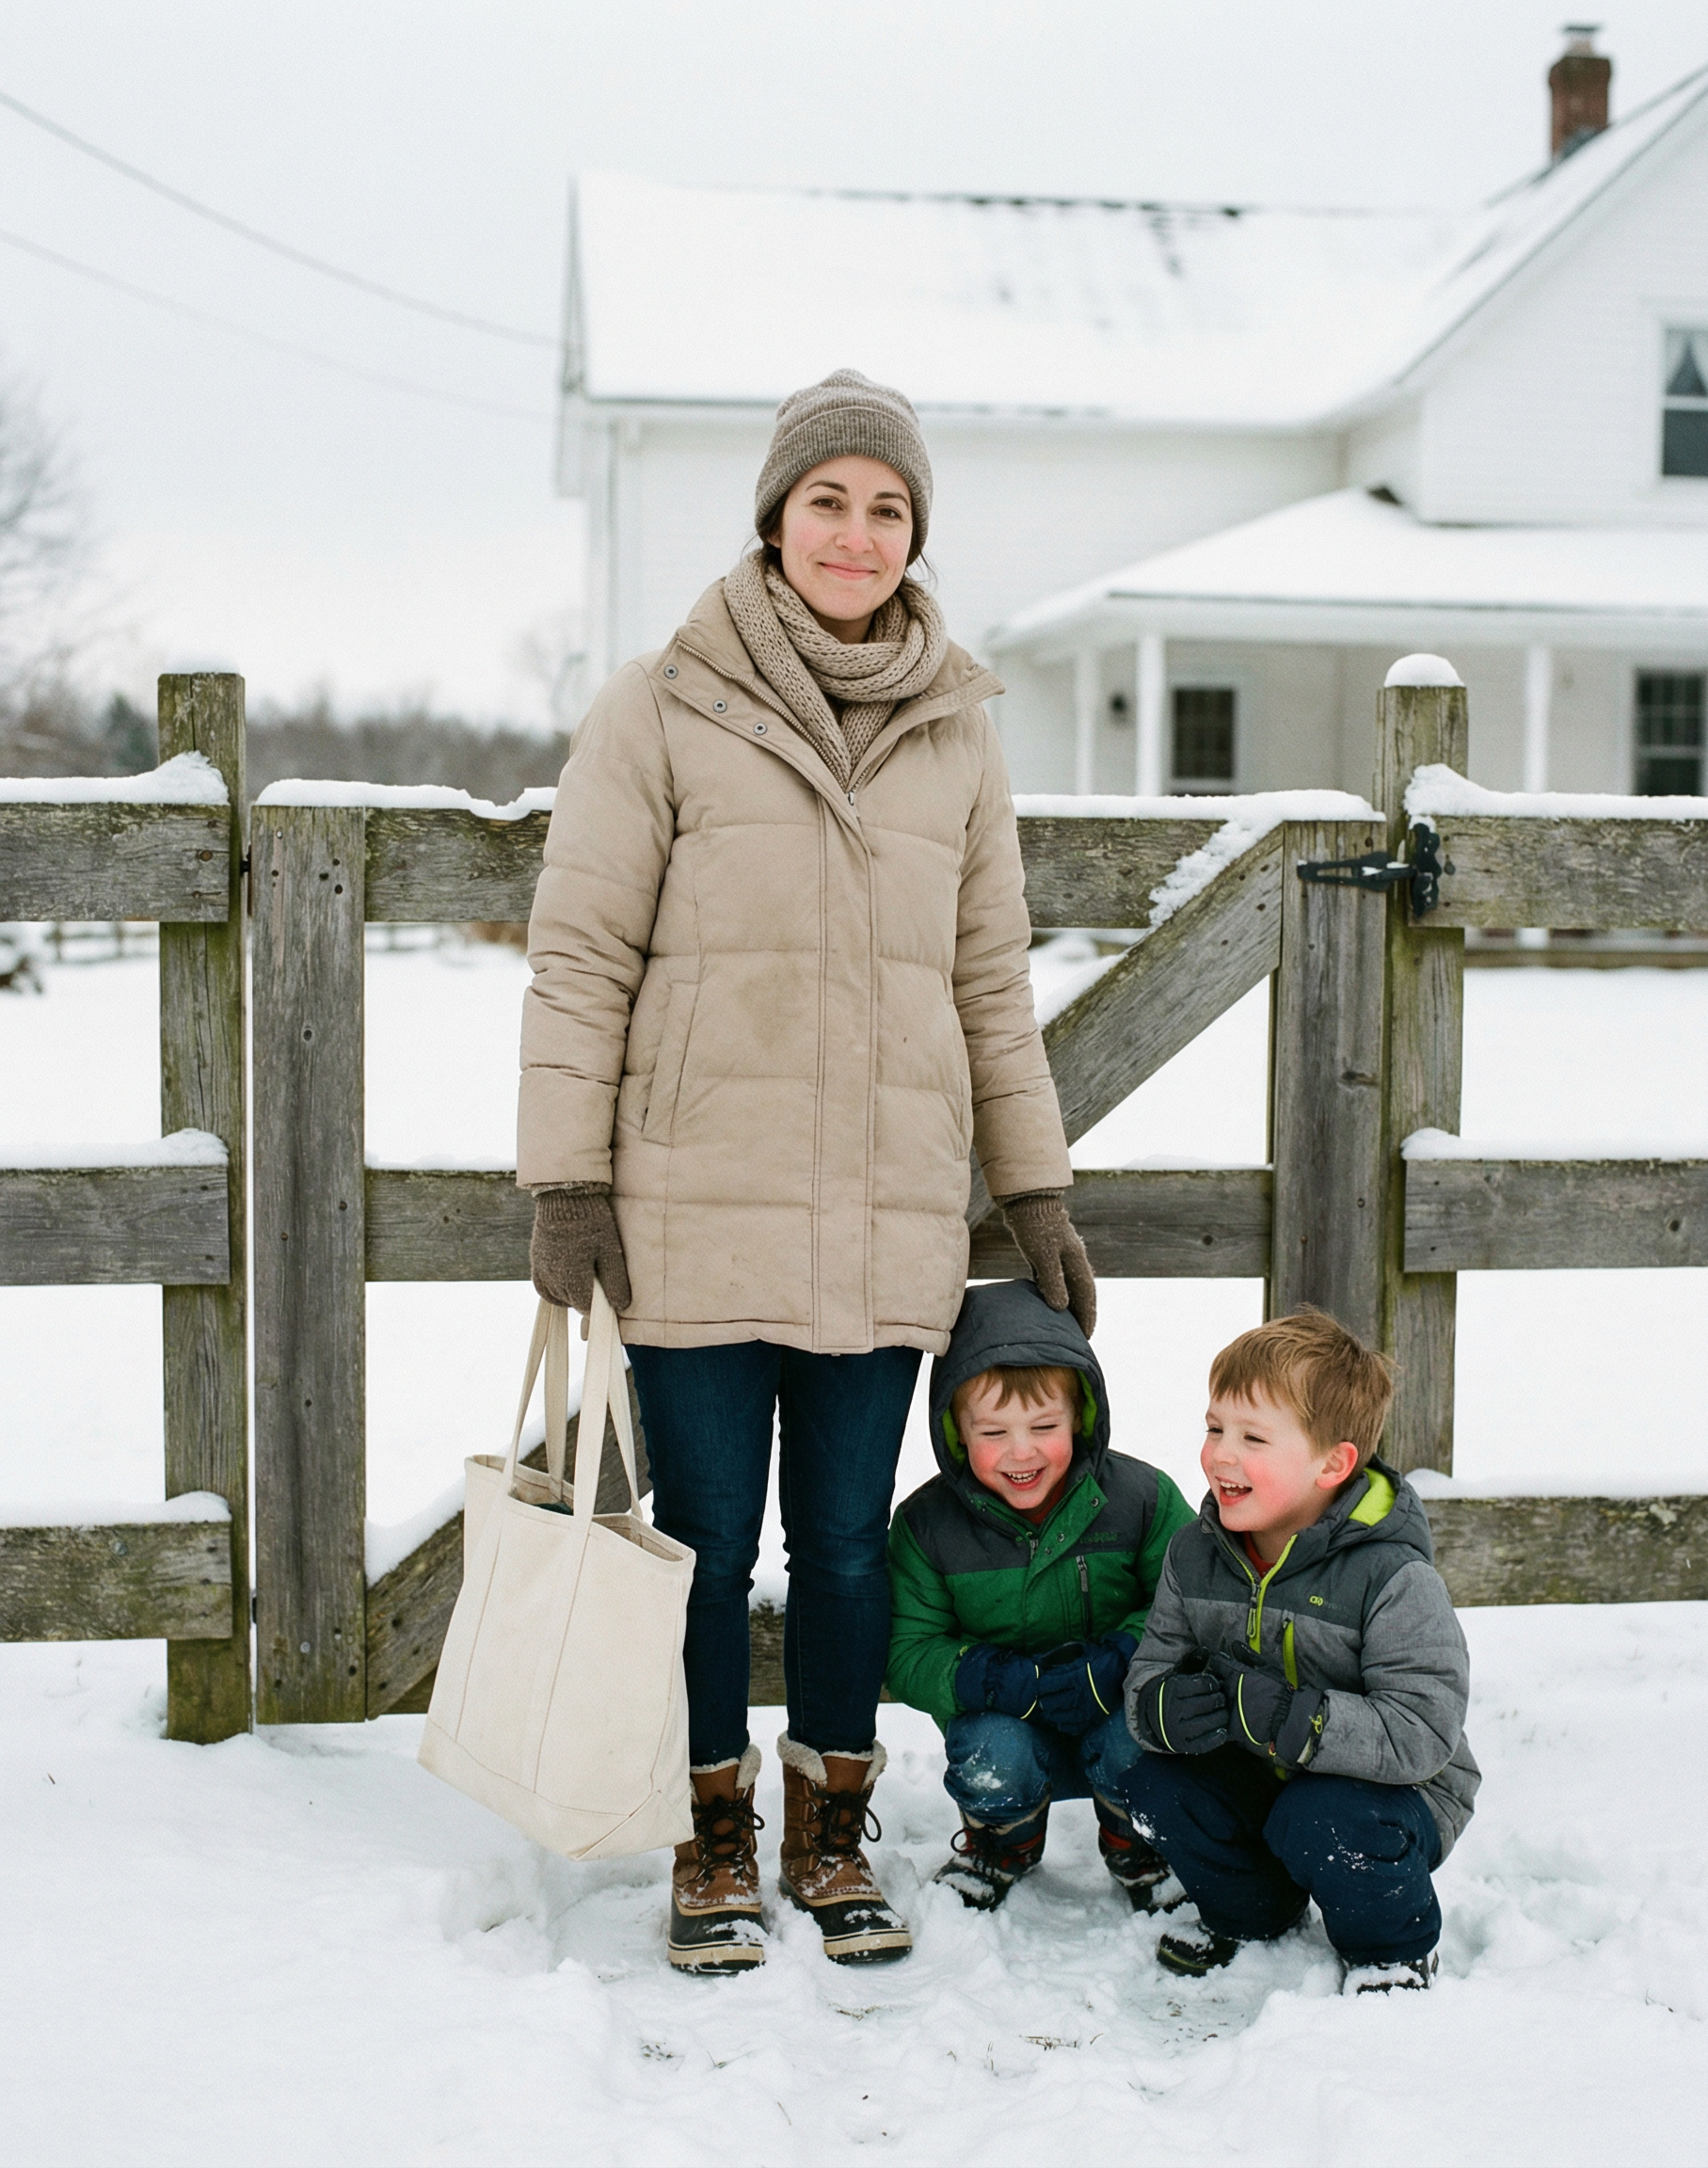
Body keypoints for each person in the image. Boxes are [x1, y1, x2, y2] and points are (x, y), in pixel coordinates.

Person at [518, 370, 1093, 1975]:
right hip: (694, 1196)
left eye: (887, 507)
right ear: (774, 518)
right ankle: (711, 1836)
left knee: (843, 1543)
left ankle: (832, 1826)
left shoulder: (958, 725)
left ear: (915, 538)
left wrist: (1032, 1186)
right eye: (828, 499)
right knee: (703, 1538)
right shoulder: (660, 702)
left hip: (883, 1207)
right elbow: (578, 954)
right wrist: (568, 1174)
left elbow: (989, 979)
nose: (856, 532)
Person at [1123, 1309, 1481, 1994]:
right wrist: (1161, 1709)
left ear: (1333, 1463)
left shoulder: (1391, 1577)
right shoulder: (1196, 1555)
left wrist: (1304, 1721)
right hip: (1260, 1774)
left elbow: (1424, 1729)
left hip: (1391, 1796)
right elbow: (1153, 1669)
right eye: (1214, 1428)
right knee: (1157, 1782)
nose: (1221, 1454)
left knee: (1319, 1816)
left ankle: (1391, 1950)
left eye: (1252, 1437)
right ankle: (1251, 1913)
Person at [886, 1280, 1194, 1910]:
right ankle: (1004, 1841)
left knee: (1145, 1733)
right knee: (991, 1755)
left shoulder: (1141, 1499)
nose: (1020, 1452)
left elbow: (1192, 1604)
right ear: (955, 1431)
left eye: (1044, 1426)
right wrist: (985, 1678)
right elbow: (908, 1645)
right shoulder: (927, 1527)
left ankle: (1137, 1836)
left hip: (1116, 1708)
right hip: (1007, 1720)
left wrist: (1122, 1660)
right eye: (992, 1432)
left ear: (1079, 1417)